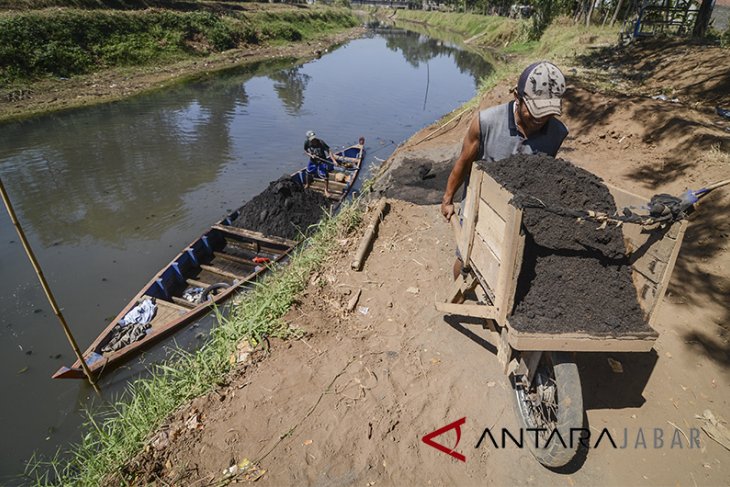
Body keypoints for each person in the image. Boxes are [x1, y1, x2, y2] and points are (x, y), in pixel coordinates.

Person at [440, 61, 569, 279]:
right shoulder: (486, 122)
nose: (540, 119)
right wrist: (448, 199)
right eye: (535, 111)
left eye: (547, 113)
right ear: (517, 98)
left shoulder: (557, 133)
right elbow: (463, 162)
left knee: (509, 266)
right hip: (480, 206)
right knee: (466, 260)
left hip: (520, 211)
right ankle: (459, 295)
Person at [303, 130, 339, 197]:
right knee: (308, 172)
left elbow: (329, 151)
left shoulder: (321, 142)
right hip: (313, 160)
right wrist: (311, 155)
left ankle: (326, 190)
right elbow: (305, 151)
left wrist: (334, 160)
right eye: (311, 139)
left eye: (314, 138)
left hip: (322, 161)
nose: (313, 140)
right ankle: (307, 184)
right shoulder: (307, 142)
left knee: (325, 175)